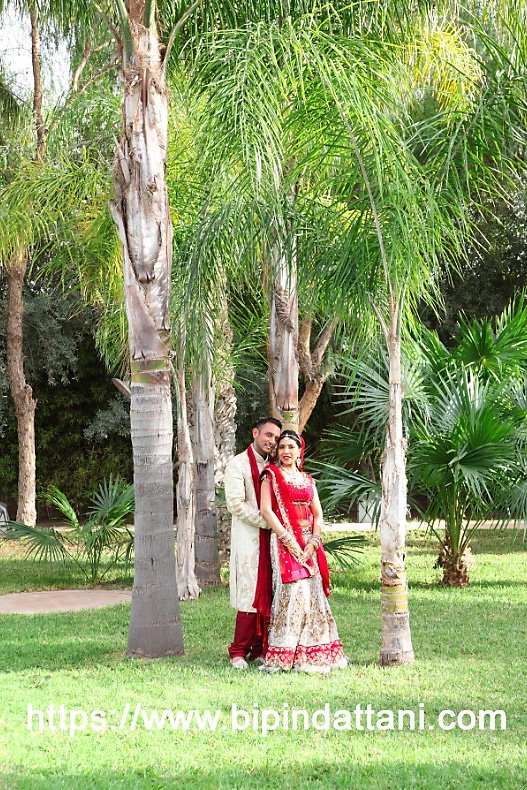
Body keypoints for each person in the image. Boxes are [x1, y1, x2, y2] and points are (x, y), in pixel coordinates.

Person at [256, 429, 347, 673]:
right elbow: (266, 510)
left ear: (299, 451)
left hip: (308, 543)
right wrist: (289, 540)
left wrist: (314, 542)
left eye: (291, 447)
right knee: (294, 594)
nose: (286, 451)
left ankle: (313, 652)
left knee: (313, 595)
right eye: (282, 447)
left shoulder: (308, 480)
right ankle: (284, 654)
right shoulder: (271, 476)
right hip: (285, 541)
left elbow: (317, 514)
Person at [224, 417, 282, 669]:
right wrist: (268, 521)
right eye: (268, 435)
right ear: (255, 432)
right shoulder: (238, 465)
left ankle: (261, 648)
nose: (272, 441)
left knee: (269, 593)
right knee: (250, 594)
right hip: (249, 538)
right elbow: (235, 504)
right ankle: (238, 651)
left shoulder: (275, 466)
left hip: (272, 541)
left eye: (276, 438)